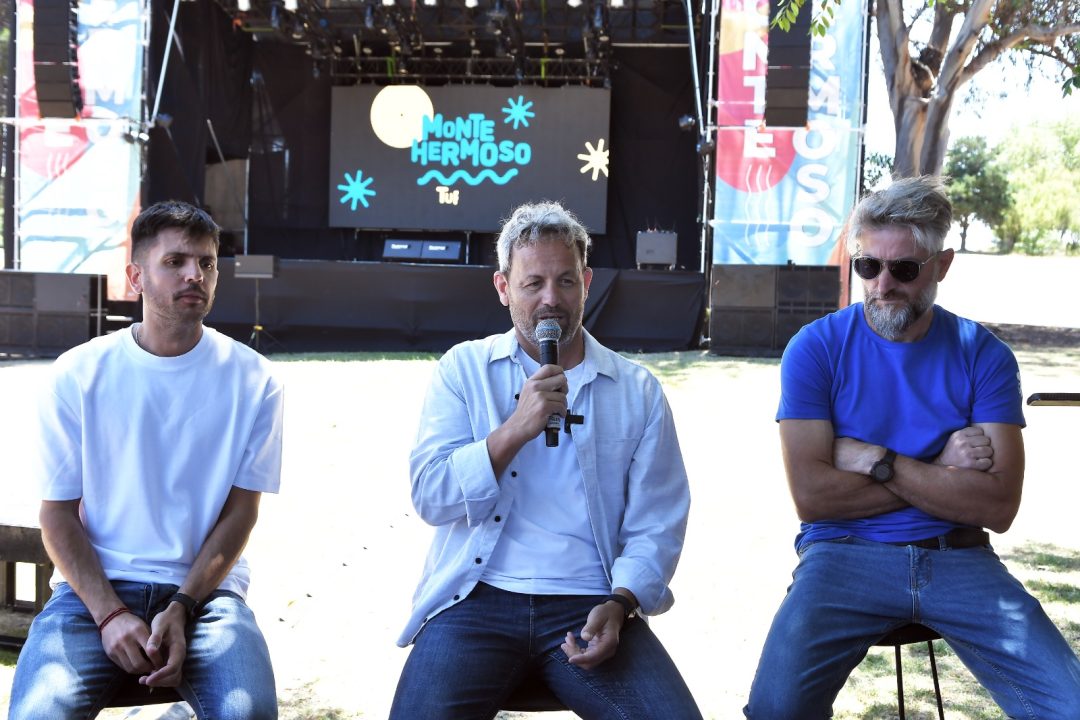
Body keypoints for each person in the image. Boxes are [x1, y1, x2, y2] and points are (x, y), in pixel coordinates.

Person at [744, 176, 1080, 718]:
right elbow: (814, 499)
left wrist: (878, 460)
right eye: (868, 266)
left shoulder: (984, 355)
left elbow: (997, 507)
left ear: (941, 266)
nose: (882, 284)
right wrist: (943, 468)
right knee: (774, 710)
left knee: (1070, 706)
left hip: (960, 557)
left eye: (904, 269)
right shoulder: (815, 349)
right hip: (842, 555)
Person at [389, 201, 702, 720]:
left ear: (588, 282)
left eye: (566, 281)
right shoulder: (464, 370)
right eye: (533, 284)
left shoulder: (636, 390)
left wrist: (622, 603)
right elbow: (431, 496)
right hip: (478, 599)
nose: (551, 300)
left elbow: (658, 520)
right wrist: (513, 430)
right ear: (503, 287)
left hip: (591, 601)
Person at [8, 201, 283, 719]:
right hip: (93, 593)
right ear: (135, 276)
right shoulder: (78, 374)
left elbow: (242, 512)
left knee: (249, 713)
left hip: (207, 598)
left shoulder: (255, 379)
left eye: (206, 263)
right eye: (175, 261)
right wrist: (110, 613)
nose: (194, 275)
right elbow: (57, 514)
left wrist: (183, 605)